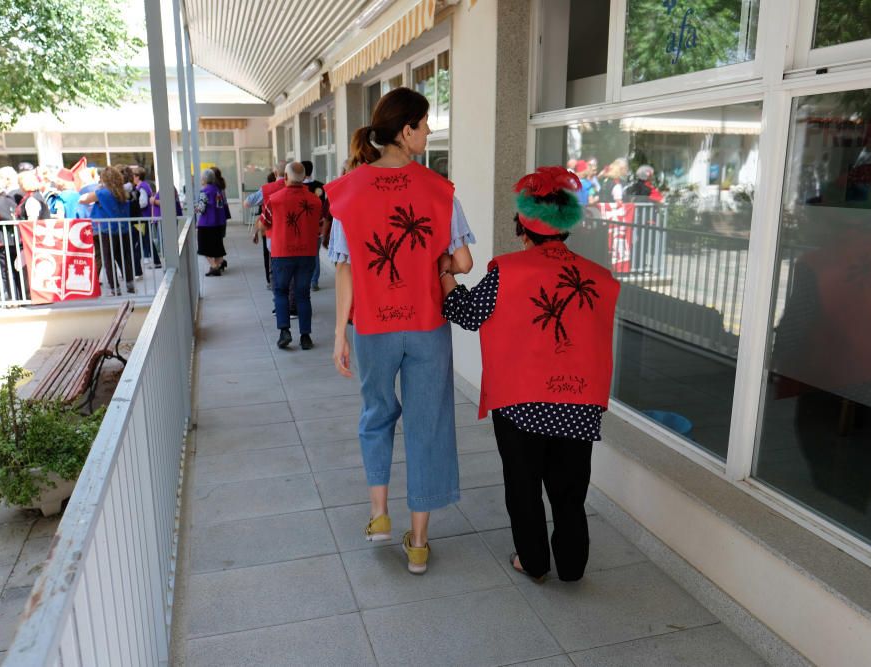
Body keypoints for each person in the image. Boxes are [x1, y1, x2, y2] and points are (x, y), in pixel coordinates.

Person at [439, 166, 620, 583]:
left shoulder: (507, 271)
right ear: (566, 225)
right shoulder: (600, 277)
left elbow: (465, 313)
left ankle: (534, 561)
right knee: (570, 492)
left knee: (524, 489)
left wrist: (446, 274)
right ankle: (572, 567)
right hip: (579, 402)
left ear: (523, 225)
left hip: (520, 403)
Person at [326, 87, 475, 575]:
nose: (429, 132)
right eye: (426, 123)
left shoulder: (347, 189)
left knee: (376, 414)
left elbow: (344, 269)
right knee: (428, 425)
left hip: (373, 324)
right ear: (406, 130)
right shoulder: (438, 188)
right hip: (428, 325)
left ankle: (379, 514)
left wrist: (338, 333)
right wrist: (441, 261)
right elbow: (465, 262)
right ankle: (419, 542)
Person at [265, 162, 322, 350]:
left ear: (286, 177)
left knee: (280, 292)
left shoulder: (274, 199)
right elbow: (320, 224)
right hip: (307, 252)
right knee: (303, 294)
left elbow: (265, 222)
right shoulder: (315, 200)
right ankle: (305, 336)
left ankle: (284, 332)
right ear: (304, 177)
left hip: (282, 253)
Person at [80, 166, 134, 295]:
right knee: (124, 257)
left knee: (108, 259)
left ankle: (115, 289)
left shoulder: (102, 193)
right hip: (124, 229)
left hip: (107, 230)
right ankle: (130, 285)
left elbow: (82, 199)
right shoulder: (123, 192)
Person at [301, 159, 330, 290]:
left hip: (301, 227)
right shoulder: (321, 186)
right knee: (315, 254)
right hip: (317, 226)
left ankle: (304, 280)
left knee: (302, 255)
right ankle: (314, 281)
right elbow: (324, 208)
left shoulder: (298, 187)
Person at [196, 169, 229, 276]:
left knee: (204, 248)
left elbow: (201, 208)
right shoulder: (217, 190)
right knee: (218, 247)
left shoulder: (204, 191)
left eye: (202, 177)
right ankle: (217, 265)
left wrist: (195, 208)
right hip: (218, 223)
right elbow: (219, 206)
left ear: (204, 179)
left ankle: (214, 267)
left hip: (206, 224)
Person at [132, 166, 161, 268]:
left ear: (138, 177)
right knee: (145, 239)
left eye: (134, 176)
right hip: (144, 217)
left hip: (143, 217)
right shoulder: (144, 186)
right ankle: (155, 261)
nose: (132, 178)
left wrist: (134, 206)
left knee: (145, 239)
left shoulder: (142, 187)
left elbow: (143, 203)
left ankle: (154, 262)